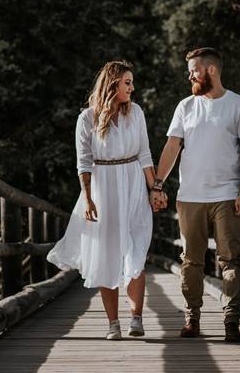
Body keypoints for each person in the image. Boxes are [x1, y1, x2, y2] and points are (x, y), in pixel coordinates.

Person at [150, 47, 240, 342]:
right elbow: (172, 147)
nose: (190, 75)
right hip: (190, 196)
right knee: (191, 260)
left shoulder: (239, 105)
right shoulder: (185, 106)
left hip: (226, 194)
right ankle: (191, 317)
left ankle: (232, 320)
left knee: (231, 259)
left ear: (211, 70)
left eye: (194, 70)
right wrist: (158, 184)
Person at [47, 60, 159, 340]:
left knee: (136, 250)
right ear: (113, 85)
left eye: (132, 82)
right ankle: (113, 324)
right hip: (103, 187)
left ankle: (136, 317)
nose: (132, 88)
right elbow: (83, 162)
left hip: (133, 184)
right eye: (127, 83)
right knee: (107, 255)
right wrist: (87, 199)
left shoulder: (136, 113)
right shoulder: (87, 118)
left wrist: (155, 188)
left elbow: (145, 154)